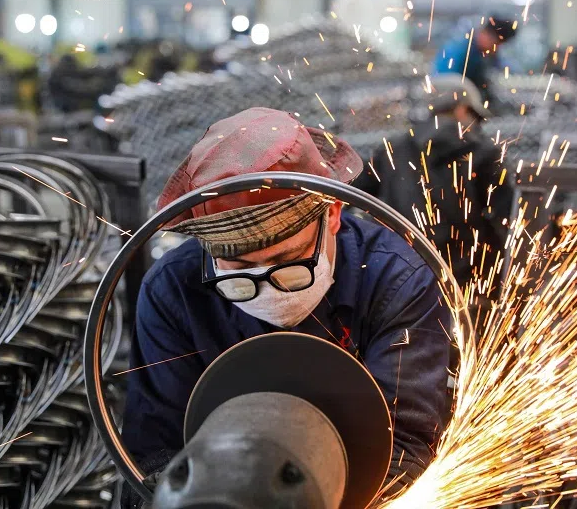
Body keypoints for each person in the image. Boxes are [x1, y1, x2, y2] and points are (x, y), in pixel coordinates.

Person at [123, 107, 452, 505]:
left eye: (287, 263)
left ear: (331, 213)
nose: (269, 290)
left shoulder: (395, 280)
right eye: (240, 272)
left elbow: (408, 443)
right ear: (209, 250)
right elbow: (154, 451)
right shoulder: (172, 291)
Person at [354, 75, 513, 310]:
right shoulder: (485, 153)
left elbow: (351, 194)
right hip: (469, 286)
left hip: (400, 276)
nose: (477, 125)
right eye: (474, 116)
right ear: (460, 109)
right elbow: (507, 220)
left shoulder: (393, 150)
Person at [431, 17, 517, 102]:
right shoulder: (459, 49)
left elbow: (503, 67)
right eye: (496, 44)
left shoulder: (484, 53)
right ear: (485, 34)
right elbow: (447, 83)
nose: (495, 50)